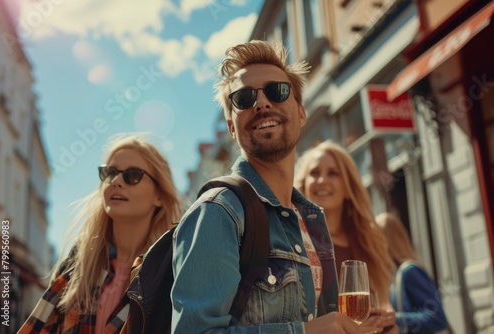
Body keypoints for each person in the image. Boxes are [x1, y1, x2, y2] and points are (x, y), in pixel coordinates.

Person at [171, 40, 363, 333]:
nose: (261, 103)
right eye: (244, 98)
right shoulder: (219, 211)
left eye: (277, 91)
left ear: (301, 112)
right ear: (232, 126)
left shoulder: (310, 218)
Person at [18, 134, 181, 334]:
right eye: (110, 173)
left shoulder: (173, 272)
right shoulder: (77, 265)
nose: (117, 181)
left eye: (133, 175)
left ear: (158, 195)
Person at [295, 140, 398, 333]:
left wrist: (386, 322)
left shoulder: (368, 242)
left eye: (333, 173)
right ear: (304, 185)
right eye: (314, 173)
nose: (322, 180)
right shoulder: (295, 241)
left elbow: (381, 304)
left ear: (348, 188)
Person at [375, 212, 448, 333]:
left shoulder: (410, 271)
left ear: (387, 242)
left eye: (375, 240)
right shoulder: (393, 276)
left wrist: (393, 318)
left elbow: (437, 318)